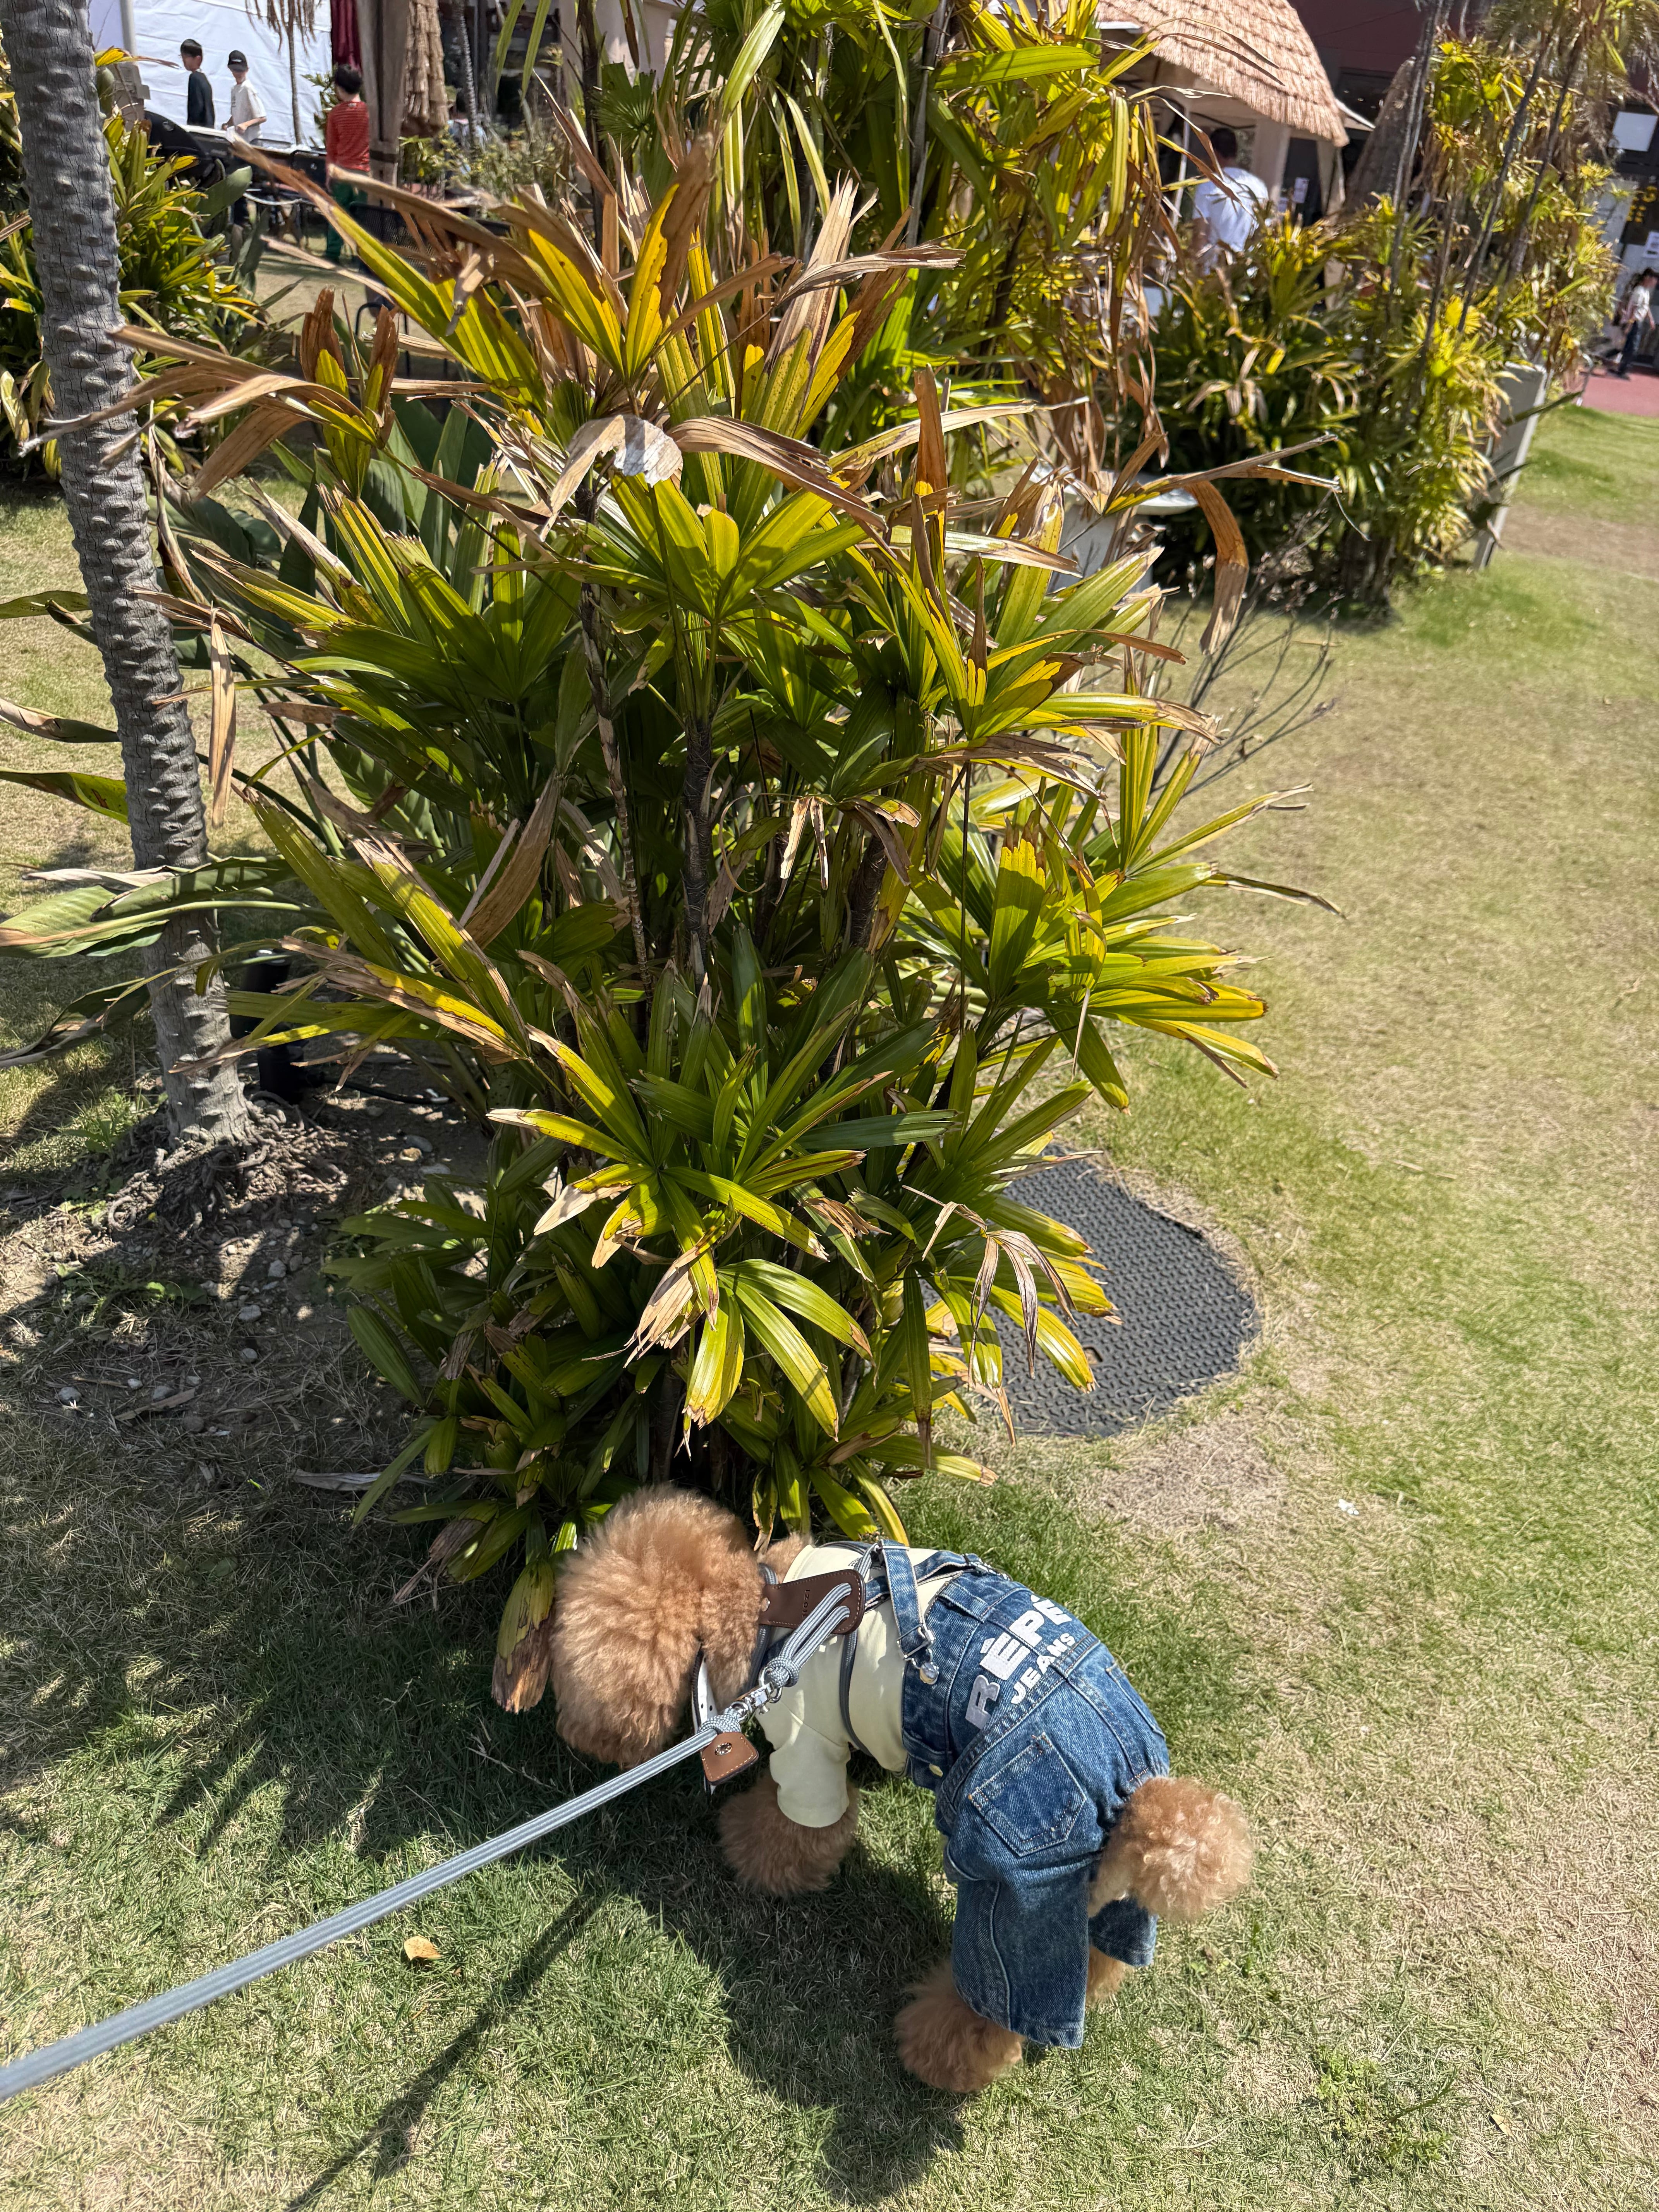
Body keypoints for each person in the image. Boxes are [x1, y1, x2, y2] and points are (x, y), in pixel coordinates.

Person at [1191, 125, 1268, 267]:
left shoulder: (1209, 186)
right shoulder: (1259, 187)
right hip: (1247, 269)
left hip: (1215, 269)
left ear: (1214, 153)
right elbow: (1264, 233)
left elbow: (1201, 235)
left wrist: (1194, 268)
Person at [323, 64, 371, 266]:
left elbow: (332, 148)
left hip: (342, 171)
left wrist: (329, 174)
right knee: (362, 218)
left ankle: (333, 253)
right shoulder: (369, 112)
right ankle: (360, 255)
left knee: (338, 214)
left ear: (340, 88)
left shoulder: (336, 114)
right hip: (365, 174)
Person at [1616, 269, 1655, 377]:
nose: (1655, 282)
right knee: (1631, 347)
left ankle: (1623, 369)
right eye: (1653, 279)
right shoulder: (1639, 291)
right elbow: (1634, 308)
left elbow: (1646, 307)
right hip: (1634, 322)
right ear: (1647, 278)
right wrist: (1630, 324)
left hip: (1639, 322)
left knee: (1631, 346)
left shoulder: (1646, 292)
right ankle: (1622, 370)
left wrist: (1651, 319)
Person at [226, 52, 266, 144]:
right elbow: (237, 115)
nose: (238, 74)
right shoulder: (234, 89)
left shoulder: (248, 88)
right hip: (240, 141)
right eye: (235, 70)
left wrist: (246, 125)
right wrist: (228, 124)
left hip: (253, 141)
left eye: (241, 71)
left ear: (247, 70)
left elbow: (262, 117)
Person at [180, 39, 213, 129]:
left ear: (198, 59)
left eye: (186, 57)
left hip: (199, 129)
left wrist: (192, 127)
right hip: (208, 128)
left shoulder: (194, 78)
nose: (184, 60)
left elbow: (197, 107)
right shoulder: (204, 79)